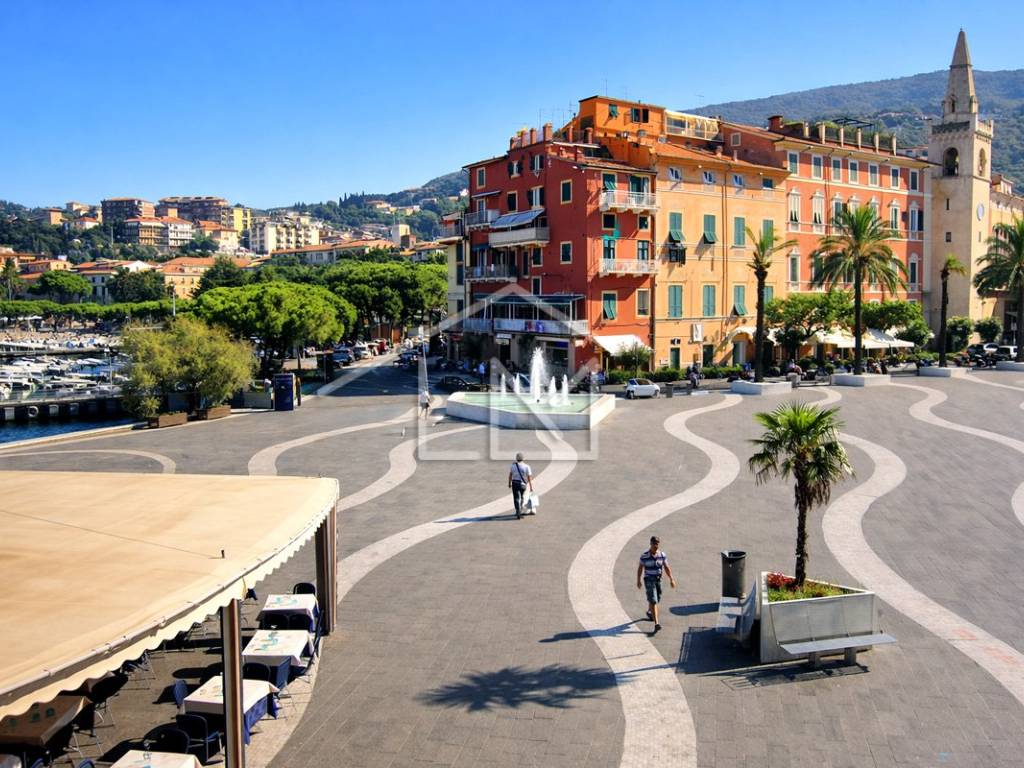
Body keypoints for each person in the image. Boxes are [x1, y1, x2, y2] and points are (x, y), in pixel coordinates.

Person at [636, 536, 676, 634]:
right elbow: (640, 568)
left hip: (658, 580)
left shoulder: (662, 555)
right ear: (650, 543)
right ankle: (656, 623)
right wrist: (638, 580)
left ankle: (650, 612)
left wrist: (671, 579)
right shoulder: (644, 556)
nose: (656, 545)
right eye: (654, 543)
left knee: (657, 598)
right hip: (649, 580)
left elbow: (666, 567)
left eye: (657, 543)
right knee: (653, 601)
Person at [508, 452, 534, 519]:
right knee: (522, 497)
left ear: (516, 458)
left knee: (516, 497)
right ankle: (521, 508)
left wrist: (509, 483)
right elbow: (529, 477)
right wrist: (531, 487)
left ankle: (517, 511)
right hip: (523, 484)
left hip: (515, 483)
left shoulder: (513, 466)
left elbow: (510, 475)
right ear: (523, 459)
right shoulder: (527, 466)